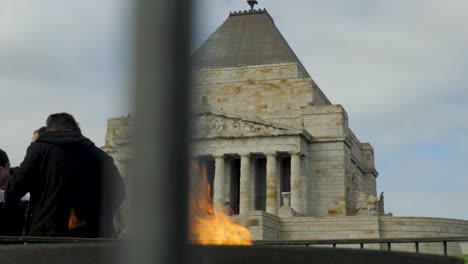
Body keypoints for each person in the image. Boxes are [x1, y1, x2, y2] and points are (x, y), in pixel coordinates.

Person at [1, 113, 126, 237]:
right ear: (76, 129)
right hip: (93, 240)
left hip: (46, 239)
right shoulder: (101, 157)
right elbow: (120, 192)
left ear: (50, 130)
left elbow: (14, 189)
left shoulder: (39, 149)